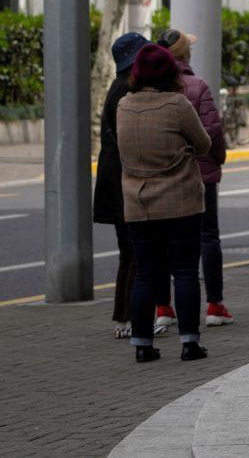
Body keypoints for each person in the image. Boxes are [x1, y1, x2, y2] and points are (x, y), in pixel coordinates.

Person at [116, 44, 212, 363]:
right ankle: (189, 343)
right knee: (184, 271)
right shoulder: (178, 104)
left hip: (138, 202)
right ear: (170, 71)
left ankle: (142, 344)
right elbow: (203, 144)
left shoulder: (124, 106)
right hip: (181, 200)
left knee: (145, 273)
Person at [154, 29, 234, 329]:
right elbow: (213, 131)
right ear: (184, 55)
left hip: (160, 176)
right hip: (201, 174)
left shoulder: (149, 89)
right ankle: (214, 305)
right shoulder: (197, 86)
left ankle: (163, 307)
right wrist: (217, 159)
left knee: (162, 242)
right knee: (207, 238)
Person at [93, 32, 150, 340]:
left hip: (115, 179)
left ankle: (125, 316)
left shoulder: (119, 88)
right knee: (134, 251)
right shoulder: (125, 92)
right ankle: (128, 317)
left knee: (130, 251)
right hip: (122, 181)